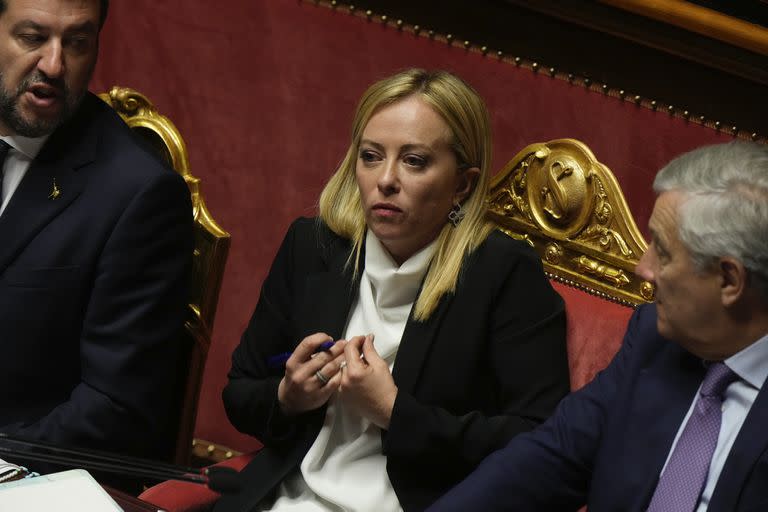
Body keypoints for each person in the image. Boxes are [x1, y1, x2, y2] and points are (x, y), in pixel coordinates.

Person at [217, 69, 570, 512]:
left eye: (414, 161)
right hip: (285, 499)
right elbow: (240, 391)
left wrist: (394, 412)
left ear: (462, 183)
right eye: (370, 156)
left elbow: (539, 443)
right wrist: (288, 398)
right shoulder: (315, 248)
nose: (385, 179)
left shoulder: (503, 274)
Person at [428, 141, 768, 512]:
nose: (643, 268)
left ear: (729, 280)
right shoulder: (655, 339)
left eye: (664, 253)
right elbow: (551, 458)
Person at [0, 0, 193, 463]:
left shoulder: (139, 194)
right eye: (32, 38)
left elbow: (115, 409)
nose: (53, 64)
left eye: (78, 43)